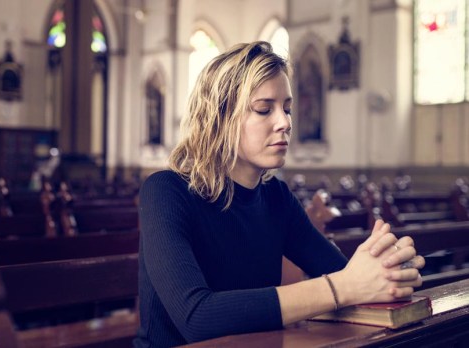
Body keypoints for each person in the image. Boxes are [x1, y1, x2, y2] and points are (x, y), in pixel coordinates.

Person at [133, 41, 424, 347]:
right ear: (218, 117)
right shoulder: (166, 192)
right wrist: (342, 287)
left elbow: (346, 275)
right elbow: (197, 318)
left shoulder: (277, 198)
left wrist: (389, 272)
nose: (285, 123)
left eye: (287, 108)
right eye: (263, 109)